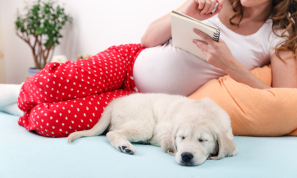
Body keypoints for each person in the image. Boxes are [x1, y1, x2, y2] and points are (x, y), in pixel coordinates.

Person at [1, 0, 296, 137]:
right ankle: (16, 94)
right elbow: (148, 39)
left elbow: (283, 101)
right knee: (45, 85)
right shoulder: (216, 2)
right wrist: (187, 10)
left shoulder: (279, 36)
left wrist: (230, 64)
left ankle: (19, 106)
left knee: (49, 121)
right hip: (130, 61)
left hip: (144, 105)